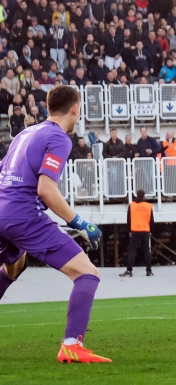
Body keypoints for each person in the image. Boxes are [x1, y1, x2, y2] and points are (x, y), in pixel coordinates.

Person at [0, 85, 110, 362]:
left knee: (14, 266)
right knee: (87, 273)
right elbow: (46, 190)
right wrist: (81, 223)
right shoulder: (59, 138)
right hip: (23, 215)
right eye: (80, 110)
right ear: (75, 109)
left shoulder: (24, 133)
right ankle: (72, 344)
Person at [120, 190, 154, 277]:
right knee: (146, 251)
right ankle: (149, 271)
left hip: (135, 231)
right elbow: (152, 221)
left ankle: (129, 271)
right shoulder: (148, 206)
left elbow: (128, 220)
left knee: (132, 251)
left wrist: (129, 231)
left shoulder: (132, 206)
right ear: (144, 196)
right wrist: (151, 231)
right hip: (145, 231)